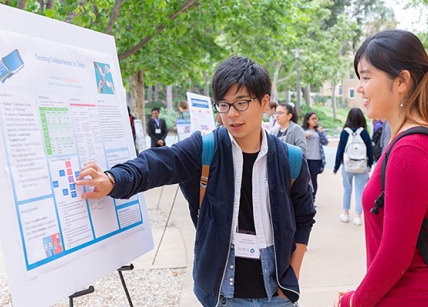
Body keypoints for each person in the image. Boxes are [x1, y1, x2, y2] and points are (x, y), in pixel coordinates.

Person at [77, 56, 316, 307]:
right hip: (223, 292)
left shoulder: (290, 159)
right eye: (223, 105)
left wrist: (291, 278)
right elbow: (157, 163)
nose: (231, 114)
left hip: (276, 294)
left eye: (241, 103)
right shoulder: (207, 149)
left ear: (264, 101)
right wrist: (114, 179)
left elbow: (304, 217)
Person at [334, 29, 428, 307]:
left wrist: (354, 302)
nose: (361, 87)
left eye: (366, 77)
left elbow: (396, 255)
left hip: (412, 298)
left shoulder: (411, 149)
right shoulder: (405, 140)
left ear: (401, 81)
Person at [332, 108, 373, 226]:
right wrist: (370, 164)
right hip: (362, 165)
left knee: (347, 190)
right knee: (360, 191)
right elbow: (369, 150)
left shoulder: (345, 132)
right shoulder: (364, 132)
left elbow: (340, 149)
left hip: (347, 165)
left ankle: (345, 213)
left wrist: (336, 166)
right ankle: (358, 216)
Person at [302, 111, 328, 204]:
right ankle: (305, 199)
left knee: (313, 179)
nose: (315, 120)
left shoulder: (319, 130)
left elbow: (325, 142)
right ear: (308, 120)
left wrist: (321, 133)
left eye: (316, 118)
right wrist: (303, 136)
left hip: (316, 159)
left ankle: (312, 199)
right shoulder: (301, 130)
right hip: (304, 158)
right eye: (313, 118)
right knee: (304, 179)